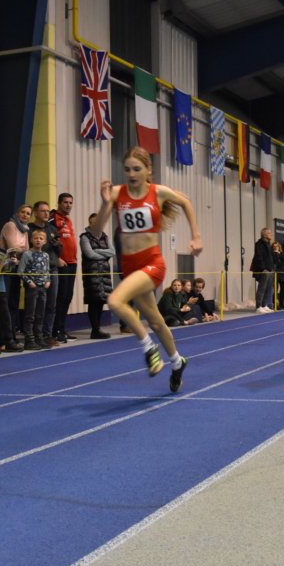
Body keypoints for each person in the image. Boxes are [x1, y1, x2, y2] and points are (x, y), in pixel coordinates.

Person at [93, 146, 202, 393]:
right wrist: (105, 204)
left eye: (137, 169)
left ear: (148, 170)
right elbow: (97, 231)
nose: (131, 174)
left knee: (115, 301)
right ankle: (177, 362)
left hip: (152, 263)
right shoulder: (117, 193)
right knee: (156, 321)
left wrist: (196, 236)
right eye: (127, 169)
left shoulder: (158, 192)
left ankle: (149, 348)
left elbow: (185, 202)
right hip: (129, 266)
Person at [29, 201, 62, 347]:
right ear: (35, 212)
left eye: (48, 211)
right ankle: (34, 335)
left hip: (52, 270)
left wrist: (57, 245)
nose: (46, 213)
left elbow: (59, 251)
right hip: (36, 271)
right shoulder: (30, 229)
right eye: (43, 211)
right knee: (36, 305)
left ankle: (47, 335)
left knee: (51, 304)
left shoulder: (52, 228)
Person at [79, 212, 114, 339]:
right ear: (90, 223)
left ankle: (98, 328)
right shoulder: (84, 237)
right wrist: (104, 254)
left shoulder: (105, 237)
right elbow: (89, 254)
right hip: (91, 273)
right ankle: (95, 329)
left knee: (101, 301)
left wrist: (98, 251)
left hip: (104, 273)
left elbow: (112, 252)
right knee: (93, 301)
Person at [0, 204, 32, 335]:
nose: (25, 215)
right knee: (5, 303)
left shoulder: (25, 229)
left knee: (14, 302)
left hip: (17, 267)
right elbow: (13, 248)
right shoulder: (10, 225)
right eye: (23, 212)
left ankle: (12, 334)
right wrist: (22, 250)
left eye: (28, 213)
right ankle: (5, 335)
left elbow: (27, 251)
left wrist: (22, 250)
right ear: (17, 213)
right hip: (6, 269)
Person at [19, 228, 52, 350]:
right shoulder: (27, 254)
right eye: (36, 238)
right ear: (31, 240)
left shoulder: (46, 255)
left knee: (40, 314)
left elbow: (47, 270)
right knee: (30, 314)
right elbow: (20, 271)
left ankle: (39, 338)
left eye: (41, 238)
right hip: (32, 288)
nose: (38, 240)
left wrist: (48, 280)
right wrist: (29, 282)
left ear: (45, 241)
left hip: (43, 288)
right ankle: (29, 340)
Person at [52, 192, 78, 343]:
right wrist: (57, 258)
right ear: (59, 203)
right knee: (60, 298)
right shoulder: (53, 218)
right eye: (65, 202)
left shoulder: (68, 220)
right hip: (62, 264)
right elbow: (49, 239)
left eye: (70, 203)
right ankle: (55, 330)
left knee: (67, 297)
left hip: (72, 263)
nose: (68, 205)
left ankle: (61, 329)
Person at [251, 227, 275, 313]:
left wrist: (272, 268)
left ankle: (264, 305)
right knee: (261, 288)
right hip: (263, 270)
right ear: (264, 235)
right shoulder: (259, 244)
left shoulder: (269, 244)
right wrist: (263, 268)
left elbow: (270, 258)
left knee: (267, 289)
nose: (271, 234)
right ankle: (258, 306)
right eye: (269, 233)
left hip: (270, 270)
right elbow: (259, 257)